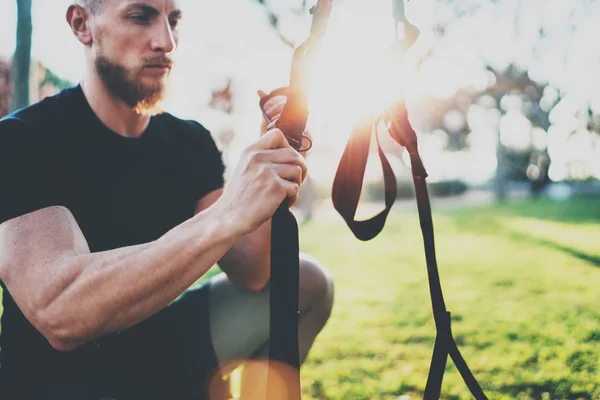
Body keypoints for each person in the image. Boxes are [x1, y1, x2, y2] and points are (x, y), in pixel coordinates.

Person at [0, 0, 335, 399]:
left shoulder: (190, 140)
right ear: (81, 24)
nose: (166, 41)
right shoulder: (22, 139)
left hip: (162, 346)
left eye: (173, 20)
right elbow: (60, 312)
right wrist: (227, 212)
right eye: (140, 17)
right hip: (57, 382)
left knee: (306, 281)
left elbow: (253, 270)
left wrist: (274, 150)